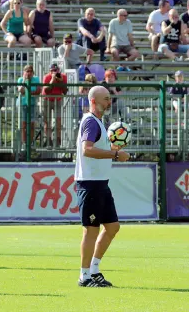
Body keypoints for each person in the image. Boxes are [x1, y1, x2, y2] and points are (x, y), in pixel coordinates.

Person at [75, 85, 130, 287]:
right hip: (90, 185)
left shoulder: (98, 121)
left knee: (112, 227)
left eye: (109, 98)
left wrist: (114, 149)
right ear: (93, 100)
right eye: (105, 98)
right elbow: (87, 150)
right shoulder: (91, 121)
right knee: (90, 230)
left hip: (100, 184)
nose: (109, 102)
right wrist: (115, 154)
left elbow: (96, 149)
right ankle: (84, 276)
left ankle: (94, 269)